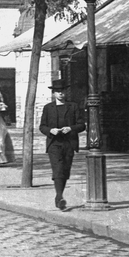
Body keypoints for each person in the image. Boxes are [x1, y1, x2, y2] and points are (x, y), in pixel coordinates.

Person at [40, 78, 85, 211]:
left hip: (69, 142)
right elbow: (42, 126)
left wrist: (71, 128)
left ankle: (59, 196)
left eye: (62, 91)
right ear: (53, 93)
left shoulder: (73, 106)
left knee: (65, 170)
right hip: (54, 143)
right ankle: (59, 197)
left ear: (66, 92)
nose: (60, 94)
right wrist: (50, 130)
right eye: (57, 91)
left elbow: (82, 125)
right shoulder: (48, 108)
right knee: (58, 169)